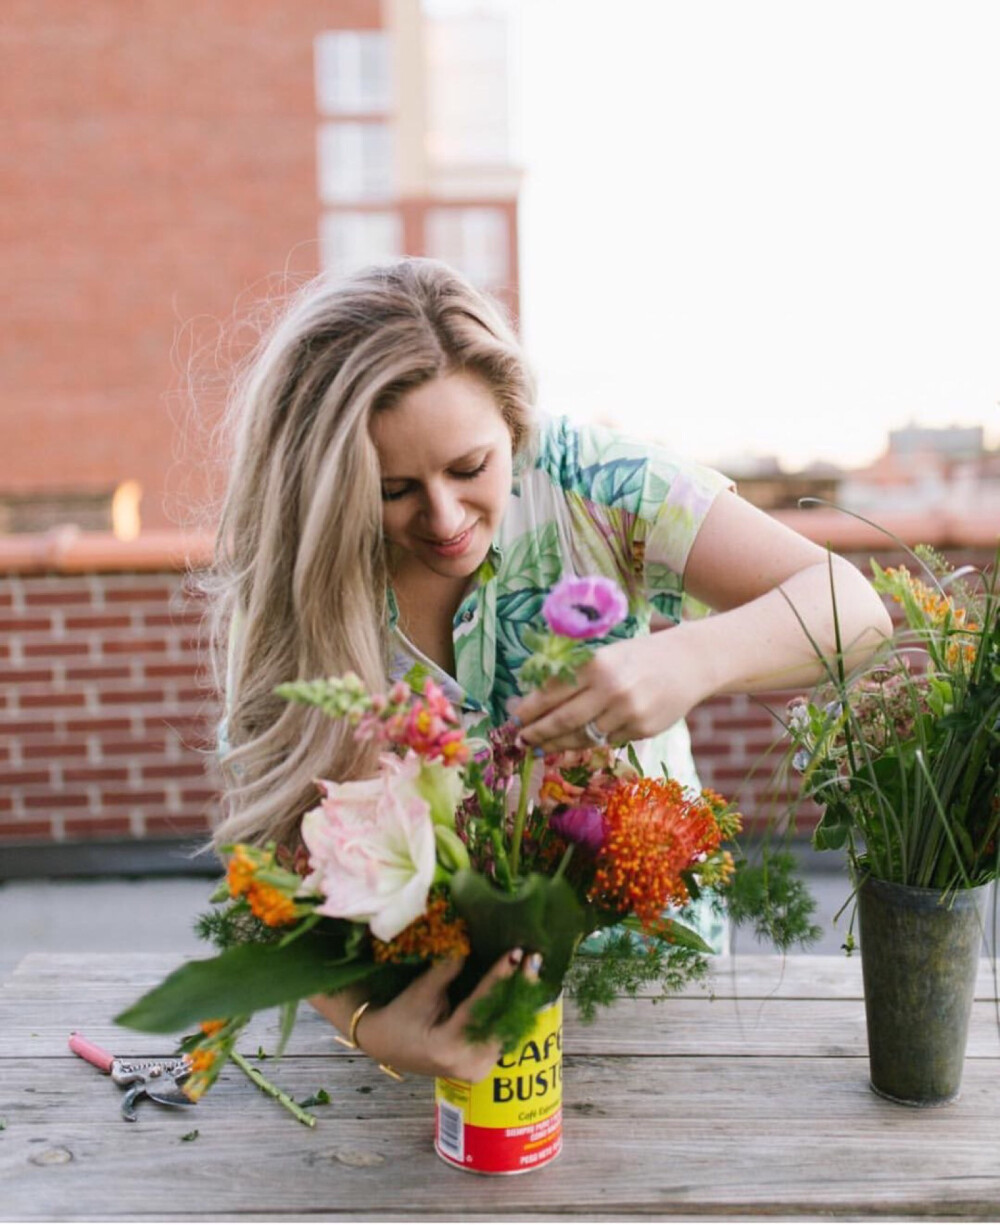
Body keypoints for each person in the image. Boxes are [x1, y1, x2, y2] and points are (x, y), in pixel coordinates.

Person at [208, 257, 891, 1081]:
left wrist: (686, 657)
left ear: (514, 420)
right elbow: (271, 852)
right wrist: (368, 1026)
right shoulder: (302, 563)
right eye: (393, 491)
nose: (446, 518)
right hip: (419, 1010)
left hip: (649, 989)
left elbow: (854, 610)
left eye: (470, 468)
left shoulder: (588, 478)